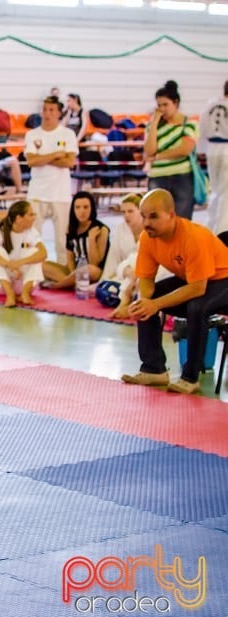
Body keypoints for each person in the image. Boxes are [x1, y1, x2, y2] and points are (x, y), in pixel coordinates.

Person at [121, 188, 228, 394]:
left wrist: (156, 304)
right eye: (143, 216)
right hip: (197, 280)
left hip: (223, 279)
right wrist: (146, 302)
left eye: (153, 216)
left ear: (171, 215)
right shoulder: (148, 238)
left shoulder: (194, 237)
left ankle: (191, 376)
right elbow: (146, 281)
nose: (146, 223)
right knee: (143, 299)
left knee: (197, 307)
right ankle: (154, 369)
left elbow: (198, 288)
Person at [25, 96, 78, 265]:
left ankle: (63, 271)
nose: (47, 113)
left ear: (59, 112)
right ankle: (33, 271)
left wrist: (42, 158)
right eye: (45, 109)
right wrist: (56, 154)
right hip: (37, 192)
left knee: (62, 239)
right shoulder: (32, 134)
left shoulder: (67, 134)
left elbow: (70, 162)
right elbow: (31, 161)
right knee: (33, 236)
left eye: (51, 110)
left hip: (60, 193)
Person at [144, 80, 197, 220]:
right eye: (159, 105)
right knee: (158, 219)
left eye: (165, 104)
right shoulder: (152, 127)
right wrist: (154, 122)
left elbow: (184, 150)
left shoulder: (189, 124)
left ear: (176, 103)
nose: (162, 109)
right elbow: (149, 151)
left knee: (182, 218)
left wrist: (158, 156)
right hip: (158, 177)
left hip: (182, 176)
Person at [42, 191, 110, 289]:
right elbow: (70, 256)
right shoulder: (71, 227)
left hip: (94, 272)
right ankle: (72, 283)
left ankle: (58, 285)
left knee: (90, 269)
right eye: (77, 207)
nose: (81, 211)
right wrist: (72, 273)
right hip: (75, 272)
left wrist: (91, 239)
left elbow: (95, 263)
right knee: (42, 266)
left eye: (86, 207)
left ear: (92, 208)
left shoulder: (102, 229)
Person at [0, 201, 47, 307]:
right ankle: (10, 294)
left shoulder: (32, 232)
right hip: (0, 285)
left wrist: (19, 263)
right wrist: (10, 265)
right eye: (31, 214)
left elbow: (43, 253)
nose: (34, 217)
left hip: (22, 283)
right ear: (19, 218)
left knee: (35, 253)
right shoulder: (0, 231)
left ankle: (25, 294)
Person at [199, 80, 228, 234]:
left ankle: (210, 226)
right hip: (226, 148)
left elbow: (202, 128)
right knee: (226, 191)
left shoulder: (210, 105)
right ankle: (222, 230)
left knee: (216, 189)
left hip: (212, 148)